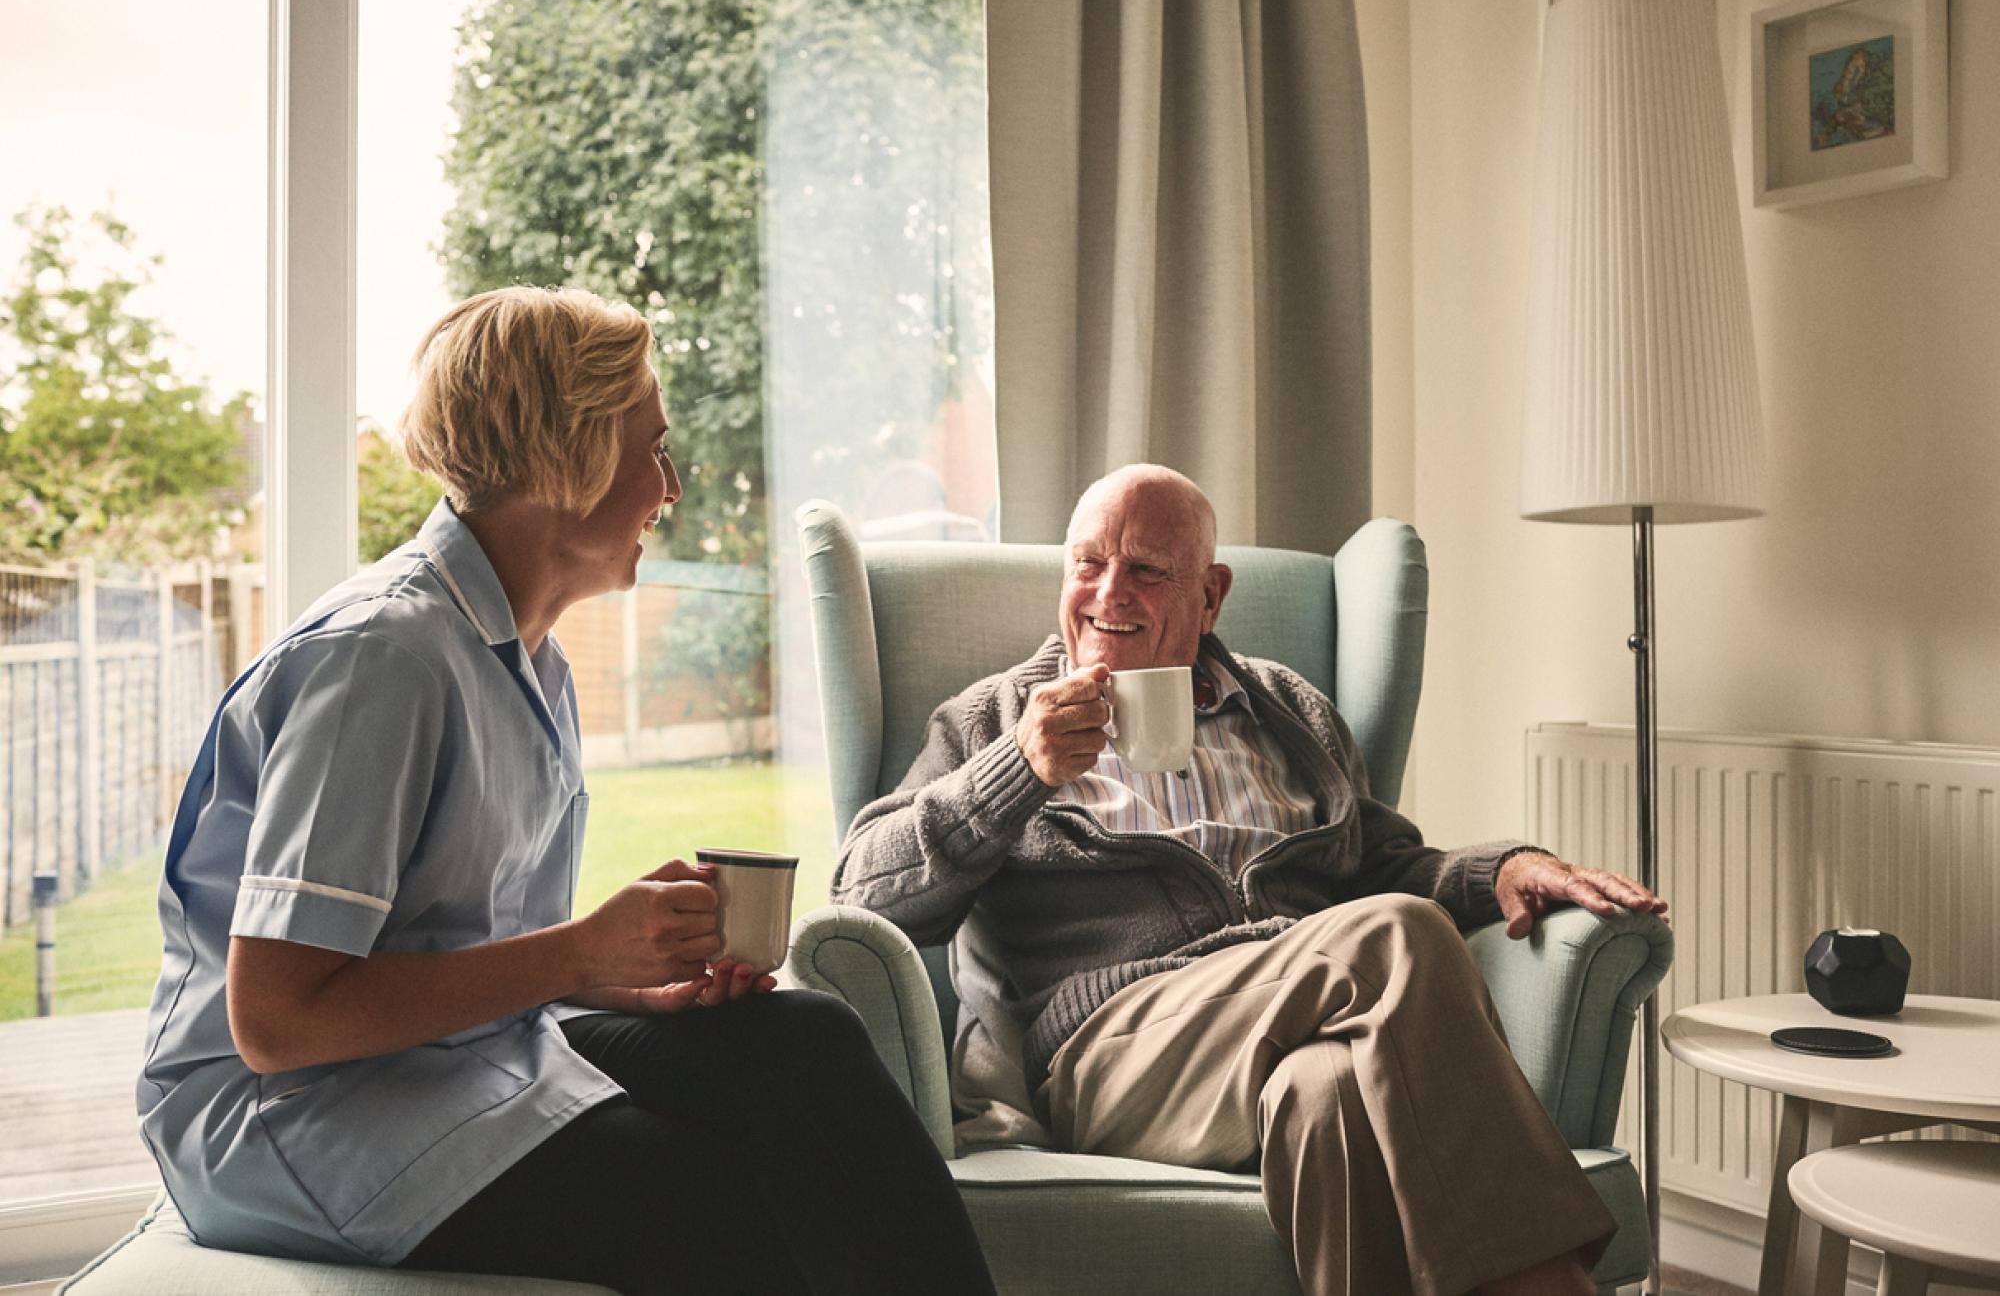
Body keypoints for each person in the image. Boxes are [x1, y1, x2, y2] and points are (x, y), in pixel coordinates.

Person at [137, 287, 995, 1296]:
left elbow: (445, 952)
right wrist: (579, 949)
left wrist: (616, 975)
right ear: (565, 458)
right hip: (286, 1115)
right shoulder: (384, 660)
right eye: (653, 448)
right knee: (712, 1197)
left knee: (800, 1040)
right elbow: (279, 1021)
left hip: (444, 1056)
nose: (670, 485)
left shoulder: (527, 659)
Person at [831, 463, 1668, 1296]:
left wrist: (1508, 868)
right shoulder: (996, 719)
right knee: (1399, 934)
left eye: (1148, 571)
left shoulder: (1290, 710)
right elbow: (863, 896)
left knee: (1329, 1093)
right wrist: (1020, 769)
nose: (1108, 593)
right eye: (1088, 563)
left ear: (1212, 595)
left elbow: (1383, 862)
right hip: (1118, 1054)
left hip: (1300, 1025)